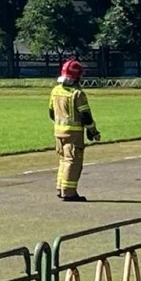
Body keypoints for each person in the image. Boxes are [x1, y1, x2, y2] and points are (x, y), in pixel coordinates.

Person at [48, 59, 101, 201]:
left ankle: (60, 188)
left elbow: (51, 113)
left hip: (58, 131)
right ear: (78, 76)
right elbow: (86, 116)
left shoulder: (56, 91)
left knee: (63, 160)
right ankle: (69, 192)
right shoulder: (77, 94)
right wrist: (93, 131)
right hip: (74, 133)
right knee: (73, 162)